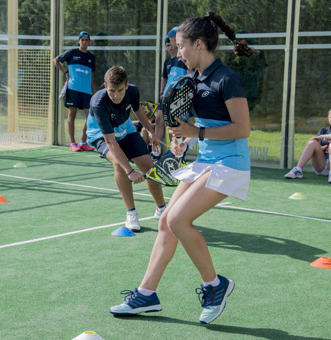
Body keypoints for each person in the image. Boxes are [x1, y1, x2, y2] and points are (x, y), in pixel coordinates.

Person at [109, 12, 256, 324]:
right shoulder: (194, 80)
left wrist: (195, 133)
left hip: (230, 165)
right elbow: (198, 125)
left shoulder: (226, 80)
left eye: (180, 47)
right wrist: (183, 142)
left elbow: (243, 129)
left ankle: (216, 286)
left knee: (177, 219)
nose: (177, 53)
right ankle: (146, 294)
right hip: (207, 161)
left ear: (199, 44)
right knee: (165, 222)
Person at [86, 66, 167, 231]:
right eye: (112, 91)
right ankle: (131, 214)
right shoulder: (98, 103)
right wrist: (130, 171)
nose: (116, 95)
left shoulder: (133, 91)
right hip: (101, 136)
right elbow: (110, 142)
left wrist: (151, 133)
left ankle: (162, 209)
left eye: (120, 91)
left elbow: (138, 111)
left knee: (149, 168)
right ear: (105, 86)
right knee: (119, 164)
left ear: (127, 85)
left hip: (126, 129)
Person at [53, 31, 96, 152]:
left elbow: (91, 76)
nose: (84, 42)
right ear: (78, 41)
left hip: (87, 91)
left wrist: (93, 93)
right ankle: (73, 143)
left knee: (90, 116)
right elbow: (55, 60)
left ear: (89, 42)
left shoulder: (91, 57)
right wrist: (65, 71)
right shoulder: (72, 53)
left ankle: (83, 141)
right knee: (72, 115)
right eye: (82, 40)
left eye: (86, 40)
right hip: (73, 89)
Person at [153, 27, 188, 159]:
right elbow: (165, 78)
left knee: (175, 125)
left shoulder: (184, 58)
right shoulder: (168, 61)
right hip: (166, 98)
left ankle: (176, 153)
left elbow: (190, 76)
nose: (169, 42)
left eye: (170, 39)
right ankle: (157, 150)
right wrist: (162, 92)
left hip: (178, 97)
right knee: (159, 120)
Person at [284, 109, 331, 182]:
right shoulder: (323, 131)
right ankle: (298, 170)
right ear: (328, 118)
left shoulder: (322, 135)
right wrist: (323, 147)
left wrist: (322, 138)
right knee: (312, 142)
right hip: (322, 164)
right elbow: (318, 147)